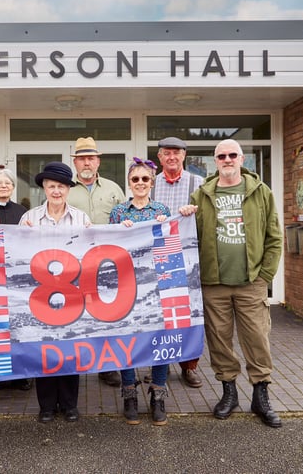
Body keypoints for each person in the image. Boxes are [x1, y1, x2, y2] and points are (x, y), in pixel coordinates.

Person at [179, 138, 283, 428]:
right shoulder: (201, 195)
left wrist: (265, 276)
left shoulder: (260, 193)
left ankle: (260, 397)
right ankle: (229, 394)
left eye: (232, 155)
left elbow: (274, 238)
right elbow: (188, 238)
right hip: (214, 284)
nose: (227, 159)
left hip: (251, 283)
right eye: (221, 156)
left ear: (242, 159)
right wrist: (186, 214)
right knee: (219, 341)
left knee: (257, 340)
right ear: (215, 161)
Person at [19, 161, 91, 423]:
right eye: (51, 186)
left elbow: (89, 254)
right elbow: (19, 256)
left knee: (70, 346)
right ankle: (47, 405)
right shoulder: (29, 219)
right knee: (45, 348)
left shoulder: (82, 219)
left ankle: (70, 404)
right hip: (41, 294)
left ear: (68, 189)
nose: (56, 191)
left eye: (61, 186)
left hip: (72, 293)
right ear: (44, 188)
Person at [108, 157, 171, 426]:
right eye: (136, 179)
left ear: (152, 182)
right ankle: (130, 394)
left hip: (156, 284)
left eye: (145, 179)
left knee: (160, 339)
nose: (141, 183)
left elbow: (173, 242)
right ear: (129, 183)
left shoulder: (162, 210)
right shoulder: (119, 213)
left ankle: (158, 396)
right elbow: (107, 246)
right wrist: (119, 231)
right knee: (128, 340)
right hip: (127, 285)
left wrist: (171, 222)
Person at [67, 136, 125, 387]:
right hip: (74, 264)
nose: (86, 163)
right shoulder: (64, 189)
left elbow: (125, 222)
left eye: (91, 158)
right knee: (76, 314)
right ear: (75, 163)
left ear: (98, 161)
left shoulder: (114, 189)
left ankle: (107, 366)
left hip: (107, 264)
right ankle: (73, 363)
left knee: (107, 314)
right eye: (81, 159)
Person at [153, 136, 206, 389]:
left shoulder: (198, 183)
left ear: (184, 156)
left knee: (189, 312)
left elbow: (207, 218)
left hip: (188, 257)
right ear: (159, 157)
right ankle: (158, 367)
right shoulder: (150, 184)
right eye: (166, 153)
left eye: (176, 152)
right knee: (161, 314)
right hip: (160, 258)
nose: (172, 157)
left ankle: (189, 366)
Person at [0, 166, 32, 394]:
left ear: (13, 187)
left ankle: (20, 375)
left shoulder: (22, 211)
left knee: (17, 326)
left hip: (14, 275)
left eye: (8, 183)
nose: (3, 186)